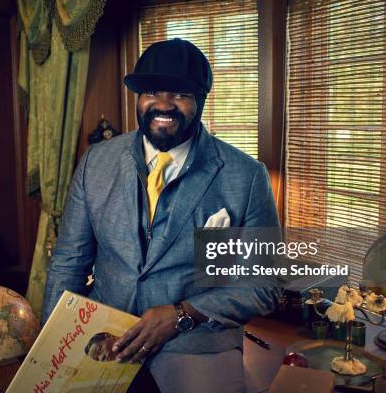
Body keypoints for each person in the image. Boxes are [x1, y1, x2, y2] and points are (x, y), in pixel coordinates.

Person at [42, 38, 282, 392]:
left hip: (197, 341)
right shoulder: (96, 162)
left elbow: (265, 285)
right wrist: (53, 345)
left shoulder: (246, 176)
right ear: (138, 98)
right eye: (152, 91)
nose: (164, 104)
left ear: (200, 99)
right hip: (104, 333)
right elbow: (68, 262)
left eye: (180, 93)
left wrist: (182, 314)